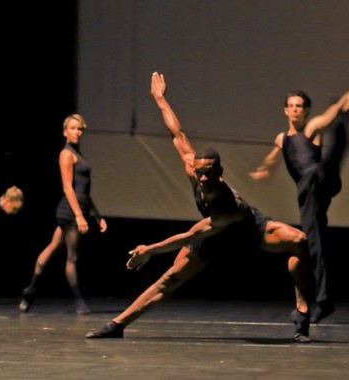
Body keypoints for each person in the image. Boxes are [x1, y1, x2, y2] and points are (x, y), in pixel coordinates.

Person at [86, 72, 313, 342]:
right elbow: (177, 132)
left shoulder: (231, 206)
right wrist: (160, 99)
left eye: (209, 173)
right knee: (169, 280)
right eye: (199, 172)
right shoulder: (193, 168)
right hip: (214, 240)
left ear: (220, 173)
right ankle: (118, 325)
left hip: (249, 233)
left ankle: (302, 310)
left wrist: (150, 250)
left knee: (299, 240)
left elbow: (191, 234)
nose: (203, 178)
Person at [248, 67, 349, 323]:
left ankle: (324, 301)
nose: (295, 109)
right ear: (285, 110)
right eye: (291, 106)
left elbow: (344, 102)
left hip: (321, 180)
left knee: (336, 127)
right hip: (310, 195)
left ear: (306, 111)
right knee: (315, 246)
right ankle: (325, 301)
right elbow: (275, 155)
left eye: (299, 106)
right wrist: (265, 170)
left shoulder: (312, 127)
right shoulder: (282, 138)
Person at [19, 113, 107, 315]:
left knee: (51, 248)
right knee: (72, 257)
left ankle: (30, 290)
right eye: (73, 128)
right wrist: (78, 216)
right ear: (65, 132)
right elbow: (68, 187)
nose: (77, 132)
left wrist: (97, 215)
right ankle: (79, 302)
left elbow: (84, 191)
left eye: (80, 129)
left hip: (80, 208)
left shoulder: (78, 153)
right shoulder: (66, 154)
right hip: (70, 210)